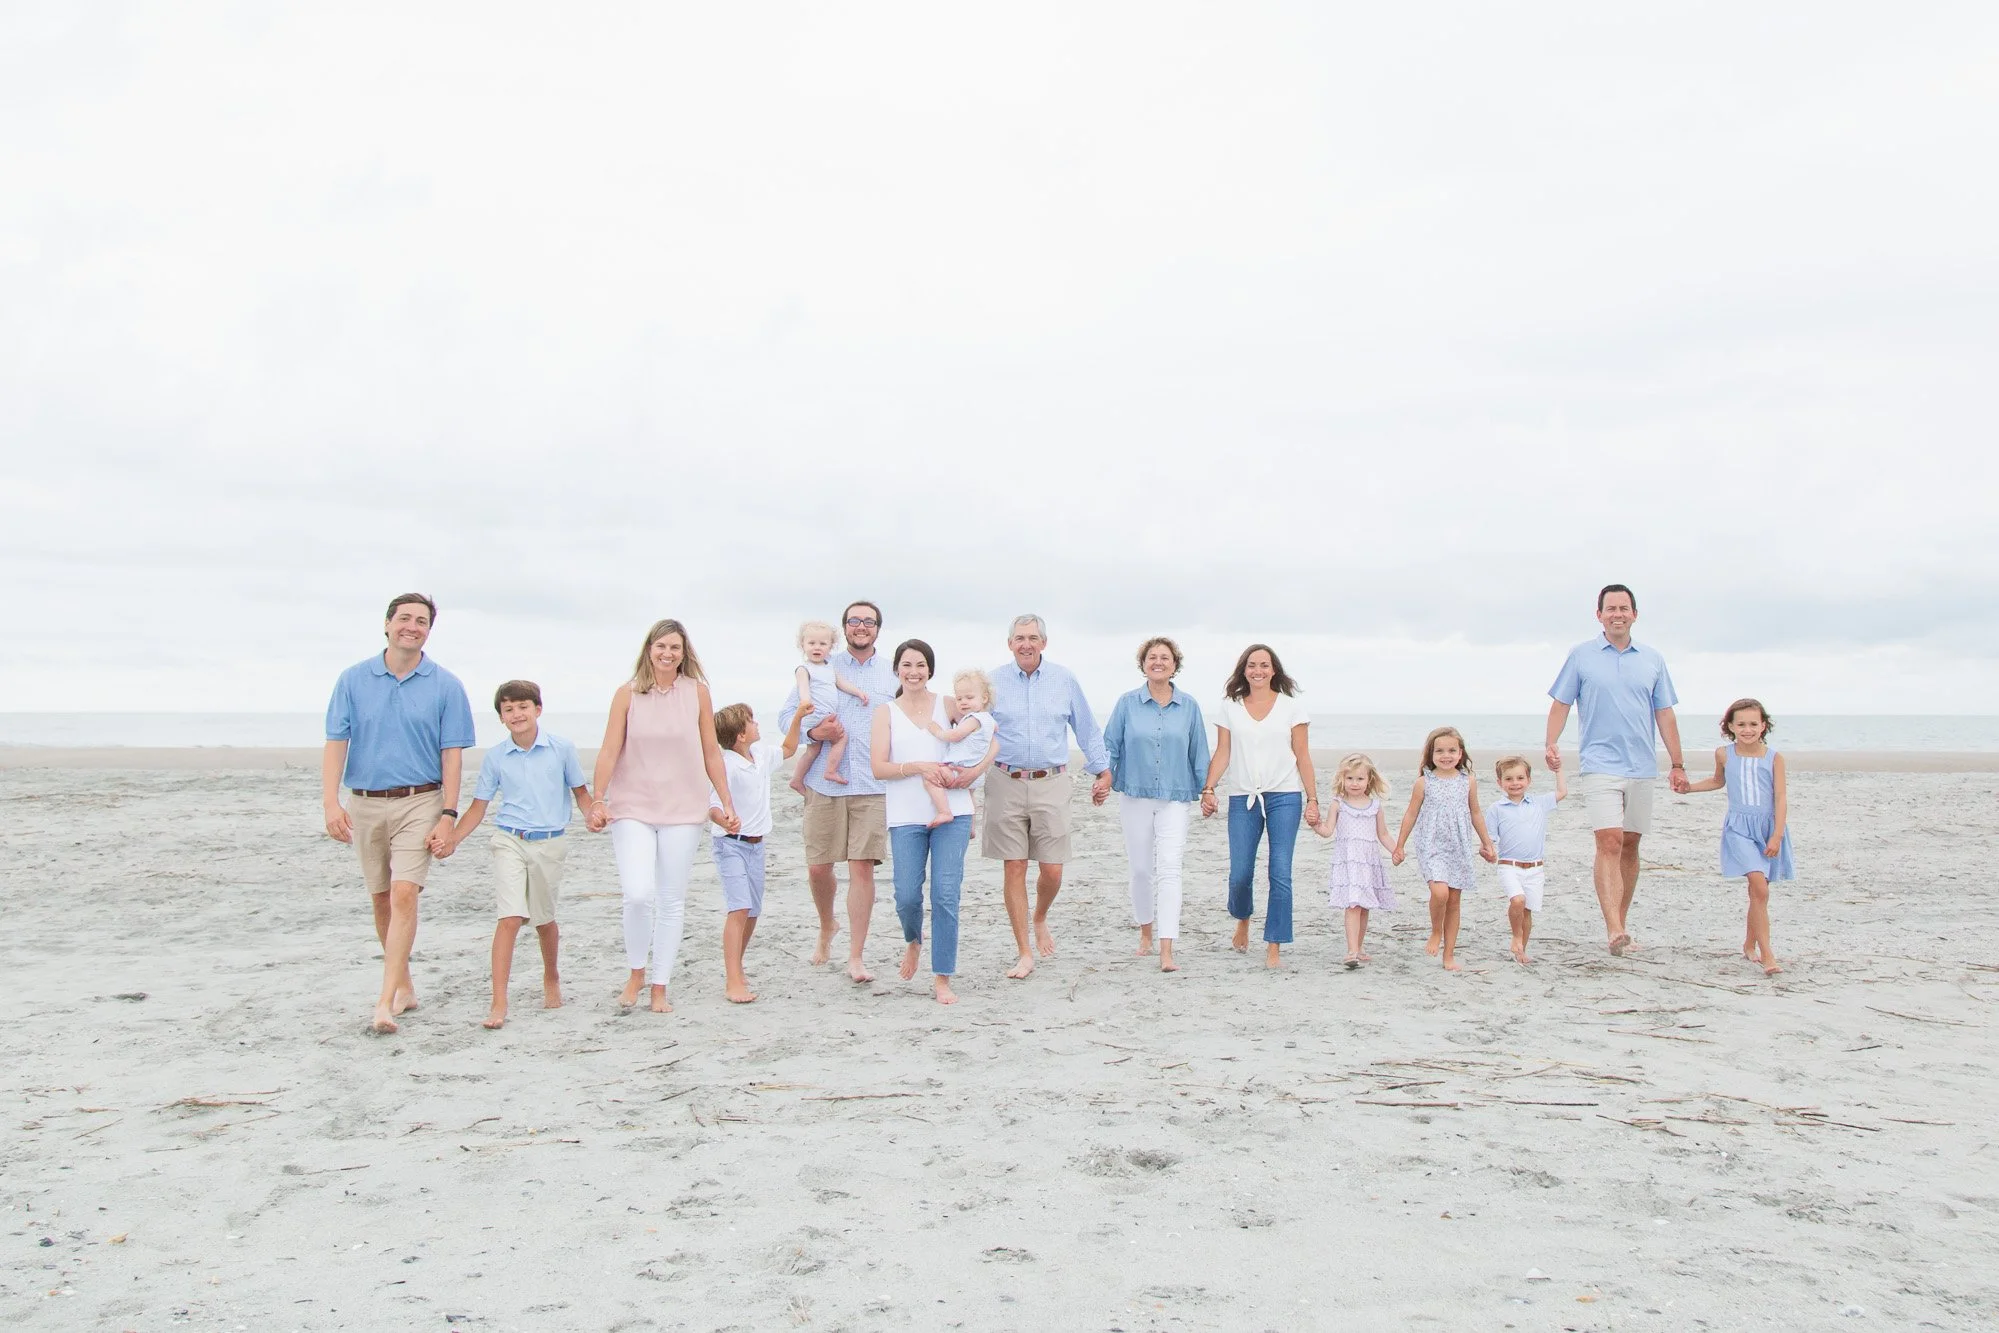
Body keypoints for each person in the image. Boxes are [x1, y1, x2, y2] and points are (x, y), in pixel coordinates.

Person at [321, 593, 476, 1035]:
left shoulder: (446, 685)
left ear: (429, 631)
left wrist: (448, 814)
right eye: (404, 618)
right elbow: (336, 743)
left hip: (420, 800)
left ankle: (384, 1001)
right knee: (382, 898)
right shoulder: (353, 680)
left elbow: (452, 756)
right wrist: (331, 802)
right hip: (365, 801)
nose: (412, 626)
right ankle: (404, 985)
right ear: (387, 624)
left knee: (405, 893)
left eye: (421, 621)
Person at [588, 618, 736, 1015]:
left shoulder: (697, 692)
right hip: (632, 806)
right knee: (638, 894)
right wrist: (597, 799)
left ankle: (659, 985)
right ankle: (636, 971)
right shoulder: (627, 694)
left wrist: (725, 801)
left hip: (684, 809)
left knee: (671, 900)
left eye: (675, 647)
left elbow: (711, 751)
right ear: (649, 650)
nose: (667, 653)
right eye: (661, 646)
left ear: (684, 653)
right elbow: (609, 749)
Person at [1546, 584, 1687, 956]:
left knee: (1630, 844)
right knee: (1609, 840)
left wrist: (1677, 764)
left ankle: (1621, 923)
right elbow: (1561, 703)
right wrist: (1551, 743)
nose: (1617, 614)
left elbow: (1665, 713)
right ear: (1599, 615)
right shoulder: (1581, 656)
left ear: (1634, 615)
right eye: (1611, 608)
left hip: (1641, 765)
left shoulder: (1653, 659)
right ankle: (1613, 928)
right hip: (1599, 764)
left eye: (1624, 608)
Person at [444, 680, 593, 1029]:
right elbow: (478, 807)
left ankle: (551, 975)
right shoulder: (496, 756)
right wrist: (453, 839)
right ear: (501, 717)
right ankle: (499, 1001)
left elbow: (581, 794)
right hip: (509, 839)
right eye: (508, 709)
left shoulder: (561, 748)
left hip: (550, 843)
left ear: (537, 709)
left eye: (523, 707)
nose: (517, 714)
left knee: (544, 921)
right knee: (509, 917)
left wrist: (593, 815)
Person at [984, 615, 1111, 979]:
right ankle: (1024, 951)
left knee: (1052, 869)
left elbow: (1086, 727)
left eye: (1033, 637)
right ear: (1010, 643)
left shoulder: (1063, 679)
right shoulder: (992, 681)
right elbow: (972, 727)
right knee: (1014, 865)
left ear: (1044, 642)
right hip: (1005, 780)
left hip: (1051, 781)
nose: (1026, 644)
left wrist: (1102, 770)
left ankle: (1039, 916)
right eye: (1019, 638)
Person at [779, 601, 899, 982]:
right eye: (854, 621)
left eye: (869, 621)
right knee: (818, 867)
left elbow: (911, 718)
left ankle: (856, 957)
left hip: (872, 784)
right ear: (843, 628)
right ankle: (827, 924)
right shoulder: (821, 664)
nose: (861, 627)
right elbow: (786, 718)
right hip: (824, 782)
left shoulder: (893, 672)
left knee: (862, 867)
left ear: (878, 628)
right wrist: (815, 732)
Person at [871, 639, 994, 1004]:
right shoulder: (885, 712)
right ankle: (913, 940)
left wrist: (974, 774)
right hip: (906, 815)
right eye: (907, 665)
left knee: (945, 894)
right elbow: (878, 768)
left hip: (953, 812)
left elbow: (992, 741)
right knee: (907, 895)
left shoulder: (950, 704)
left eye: (921, 665)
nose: (914, 672)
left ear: (930, 670)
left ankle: (942, 976)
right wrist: (919, 767)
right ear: (897, 670)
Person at [1199, 644, 1318, 969]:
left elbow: (1302, 755)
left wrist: (1312, 799)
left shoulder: (1292, 708)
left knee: (1280, 872)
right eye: (1252, 665)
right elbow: (1223, 752)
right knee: (1240, 874)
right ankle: (1243, 917)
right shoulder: (1230, 707)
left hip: (1285, 796)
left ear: (1274, 670)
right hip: (1243, 796)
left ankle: (1273, 946)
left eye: (1264, 665)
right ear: (1244, 670)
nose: (1258, 671)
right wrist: (1209, 788)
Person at [1098, 636, 1210, 973]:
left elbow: (1199, 752)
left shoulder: (1189, 706)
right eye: (1152, 657)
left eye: (1165, 657)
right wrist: (1103, 779)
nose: (1158, 662)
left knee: (1170, 869)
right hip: (1135, 794)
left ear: (1175, 665)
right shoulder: (1127, 703)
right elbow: (1110, 746)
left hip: (1175, 797)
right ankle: (1145, 933)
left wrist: (1207, 790)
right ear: (1143, 664)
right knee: (1141, 870)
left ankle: (1167, 948)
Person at [1681, 698, 1793, 976]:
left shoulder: (1774, 758)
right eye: (1741, 724)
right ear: (1730, 726)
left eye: (1753, 724)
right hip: (1739, 828)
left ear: (1763, 725)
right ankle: (1768, 955)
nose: (1747, 729)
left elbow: (1780, 797)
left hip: (1768, 828)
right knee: (1759, 886)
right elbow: (1718, 781)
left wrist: (1777, 835)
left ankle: (1749, 944)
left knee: (1758, 892)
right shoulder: (1723, 754)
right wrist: (1689, 788)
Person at [1391, 726, 1496, 973]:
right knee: (1440, 893)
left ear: (1460, 754)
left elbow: (1476, 813)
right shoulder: (1423, 782)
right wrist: (1400, 845)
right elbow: (1411, 814)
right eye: (1439, 751)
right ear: (1431, 754)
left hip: (1458, 845)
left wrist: (1486, 842)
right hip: (1431, 844)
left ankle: (1449, 954)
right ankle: (1435, 931)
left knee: (1454, 900)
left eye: (1451, 751)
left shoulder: (1468, 782)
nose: (1446, 756)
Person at [708, 703, 782, 1004]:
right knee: (739, 908)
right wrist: (725, 818)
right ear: (740, 734)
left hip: (756, 845)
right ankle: (732, 980)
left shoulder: (760, 754)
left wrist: (799, 718)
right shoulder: (725, 764)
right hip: (730, 844)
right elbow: (712, 806)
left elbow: (789, 748)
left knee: (752, 911)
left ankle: (737, 966)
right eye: (751, 721)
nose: (756, 724)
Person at [1309, 753, 1396, 970]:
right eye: (1350, 778)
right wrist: (1315, 825)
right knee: (1353, 904)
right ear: (1342, 779)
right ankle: (1352, 951)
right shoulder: (1338, 804)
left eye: (1359, 779)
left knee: (1364, 906)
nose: (1354, 783)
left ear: (1369, 780)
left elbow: (1383, 834)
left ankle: (1359, 946)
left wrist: (1397, 850)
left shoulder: (1375, 806)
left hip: (1368, 862)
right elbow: (1328, 831)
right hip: (1348, 862)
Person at [1485, 754, 1570, 967]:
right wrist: (1487, 850)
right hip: (1509, 866)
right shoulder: (1496, 809)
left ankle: (1521, 949)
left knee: (1527, 910)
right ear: (1500, 782)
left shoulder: (1538, 803)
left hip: (1535, 868)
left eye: (1520, 778)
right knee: (1518, 900)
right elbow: (1489, 839)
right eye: (1509, 779)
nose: (1515, 783)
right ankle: (1516, 937)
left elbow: (1562, 792)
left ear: (1529, 780)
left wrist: (1558, 769)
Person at [788, 620, 870, 795]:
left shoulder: (829, 668)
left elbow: (842, 684)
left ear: (831, 647)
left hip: (824, 714)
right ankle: (830, 771)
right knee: (841, 738)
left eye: (822, 644)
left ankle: (797, 779)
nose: (816, 647)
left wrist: (858, 692)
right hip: (814, 713)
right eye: (811, 643)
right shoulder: (804, 669)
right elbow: (803, 688)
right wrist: (806, 703)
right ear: (802, 645)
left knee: (814, 750)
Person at [924, 670, 998, 828]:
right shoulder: (989, 720)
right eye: (959, 698)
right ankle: (971, 827)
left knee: (931, 779)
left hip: (960, 767)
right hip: (976, 772)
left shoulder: (973, 719)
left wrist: (937, 731)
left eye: (969, 698)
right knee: (969, 797)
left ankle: (944, 811)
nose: (963, 702)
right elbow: (995, 730)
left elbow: (955, 735)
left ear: (984, 698)